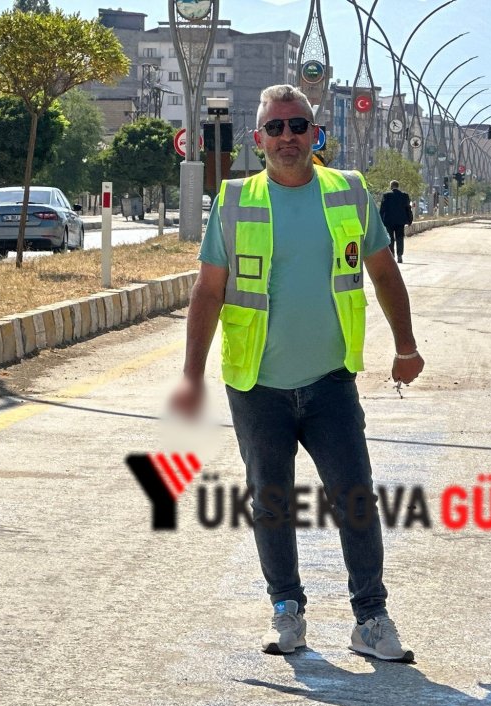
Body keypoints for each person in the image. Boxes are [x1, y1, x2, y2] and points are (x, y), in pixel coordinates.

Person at [170, 84, 424, 662]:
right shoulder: (235, 200)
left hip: (331, 380)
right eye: (276, 128)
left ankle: (371, 618)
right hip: (257, 385)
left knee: (355, 498)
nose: (288, 137)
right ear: (258, 139)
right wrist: (191, 377)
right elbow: (208, 292)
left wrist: (406, 345)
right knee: (271, 502)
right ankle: (287, 609)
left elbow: (384, 273)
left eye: (298, 125)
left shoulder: (349, 192)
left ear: (316, 133)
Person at [378, 179, 413, 263]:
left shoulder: (386, 195)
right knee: (400, 238)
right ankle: (399, 255)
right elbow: (408, 208)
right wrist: (410, 220)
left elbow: (382, 209)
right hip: (400, 221)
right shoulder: (404, 195)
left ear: (391, 186)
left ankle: (391, 255)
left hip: (389, 221)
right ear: (398, 186)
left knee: (390, 238)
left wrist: (380, 221)